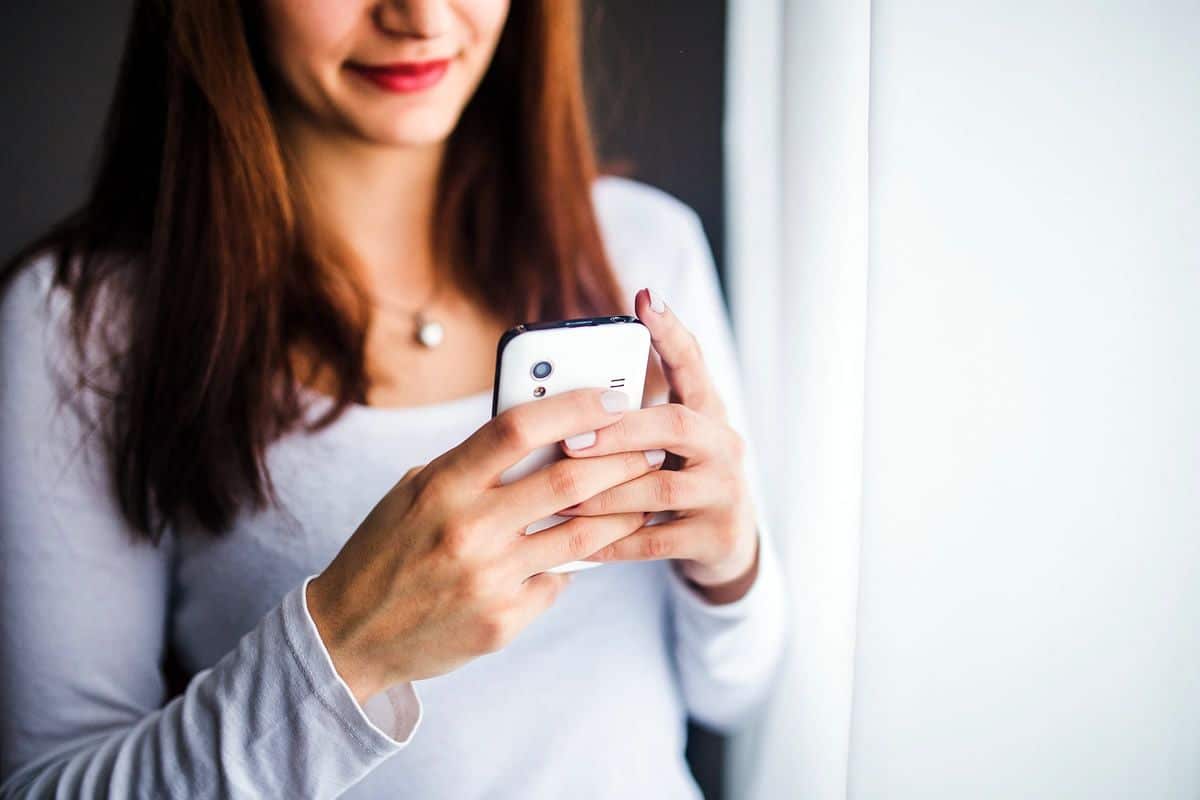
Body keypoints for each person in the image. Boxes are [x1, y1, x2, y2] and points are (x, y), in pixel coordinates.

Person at [0, 1, 788, 797]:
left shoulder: (645, 249)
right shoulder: (83, 322)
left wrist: (728, 565)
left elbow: (735, 691)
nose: (418, 18)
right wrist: (348, 647)